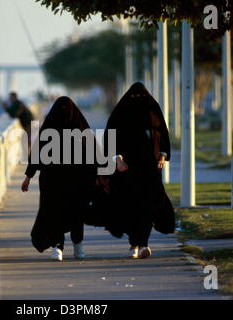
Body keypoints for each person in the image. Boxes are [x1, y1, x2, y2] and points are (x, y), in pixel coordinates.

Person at [100, 82, 175, 259]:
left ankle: (143, 245)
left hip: (151, 169)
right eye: (134, 97)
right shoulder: (121, 113)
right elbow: (111, 136)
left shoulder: (153, 112)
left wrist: (163, 156)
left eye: (141, 97)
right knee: (130, 206)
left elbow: (162, 134)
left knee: (148, 206)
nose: (138, 100)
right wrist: (117, 159)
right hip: (127, 169)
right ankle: (134, 243)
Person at [21, 96, 97, 261]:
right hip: (52, 180)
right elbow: (37, 153)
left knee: (77, 212)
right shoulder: (49, 130)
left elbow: (95, 153)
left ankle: (78, 245)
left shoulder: (81, 129)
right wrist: (28, 176)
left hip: (77, 180)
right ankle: (57, 246)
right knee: (54, 212)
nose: (64, 114)